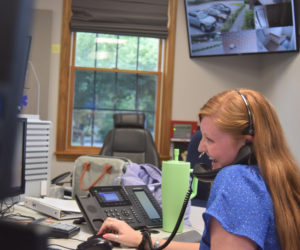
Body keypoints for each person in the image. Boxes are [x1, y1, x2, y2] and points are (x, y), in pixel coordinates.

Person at [97, 89, 300, 250]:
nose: (201, 148)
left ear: (247, 143)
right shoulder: (276, 178)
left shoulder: (235, 180)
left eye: (209, 139)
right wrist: (144, 241)